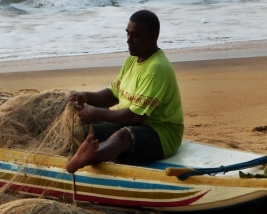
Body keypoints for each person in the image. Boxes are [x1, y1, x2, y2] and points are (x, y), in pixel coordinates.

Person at [66, 10, 183, 173]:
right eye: (127, 34)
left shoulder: (156, 68)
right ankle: (85, 152)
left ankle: (88, 157)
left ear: (153, 37)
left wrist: (97, 113)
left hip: (162, 134)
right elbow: (112, 94)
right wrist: (87, 97)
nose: (129, 40)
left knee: (123, 136)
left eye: (136, 36)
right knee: (85, 127)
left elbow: (136, 117)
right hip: (129, 123)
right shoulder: (132, 59)